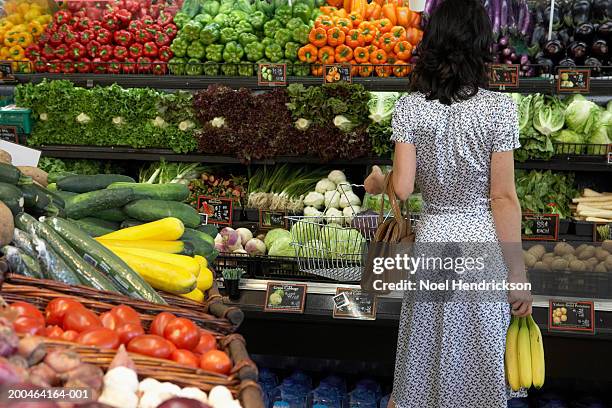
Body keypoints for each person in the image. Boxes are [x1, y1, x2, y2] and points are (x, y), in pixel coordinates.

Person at [363, 0, 533, 406]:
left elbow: (402, 188)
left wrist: (376, 182)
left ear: (432, 42)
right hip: (482, 243)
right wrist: (518, 271)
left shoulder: (409, 107)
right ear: (480, 44)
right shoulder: (498, 109)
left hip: (434, 240)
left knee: (425, 354)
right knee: (480, 357)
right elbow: (503, 198)